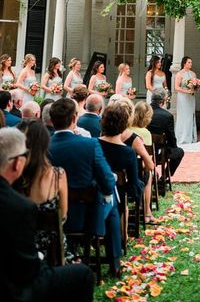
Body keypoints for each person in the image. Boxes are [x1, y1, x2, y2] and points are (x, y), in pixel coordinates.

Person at [0, 127, 94, 302]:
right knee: (83, 274)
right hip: (24, 271)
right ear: (16, 163)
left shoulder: (18, 191)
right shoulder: (21, 206)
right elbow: (28, 269)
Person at [48, 98, 122, 278]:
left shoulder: (45, 146)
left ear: (51, 120)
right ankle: (115, 262)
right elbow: (107, 180)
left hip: (53, 219)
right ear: (74, 118)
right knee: (111, 200)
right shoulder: (89, 144)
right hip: (87, 219)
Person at [14, 119, 68, 259]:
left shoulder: (13, 175)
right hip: (51, 248)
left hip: (17, 246)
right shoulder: (58, 176)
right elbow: (62, 216)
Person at [99, 103, 144, 202]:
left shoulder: (93, 144)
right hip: (118, 195)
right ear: (125, 125)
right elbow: (133, 183)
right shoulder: (128, 152)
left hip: (96, 190)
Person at [148, 88, 184, 176]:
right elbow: (171, 137)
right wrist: (174, 147)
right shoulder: (167, 116)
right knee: (179, 152)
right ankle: (165, 177)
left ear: (152, 99)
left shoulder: (143, 111)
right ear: (163, 101)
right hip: (160, 153)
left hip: (142, 151)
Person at [175, 55, 200, 145]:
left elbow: (195, 86)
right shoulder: (179, 74)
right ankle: (182, 137)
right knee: (183, 116)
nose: (190, 64)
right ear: (184, 63)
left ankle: (191, 137)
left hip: (191, 97)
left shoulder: (193, 74)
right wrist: (186, 91)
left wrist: (196, 87)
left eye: (191, 62)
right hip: (182, 98)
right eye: (189, 62)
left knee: (190, 116)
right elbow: (176, 88)